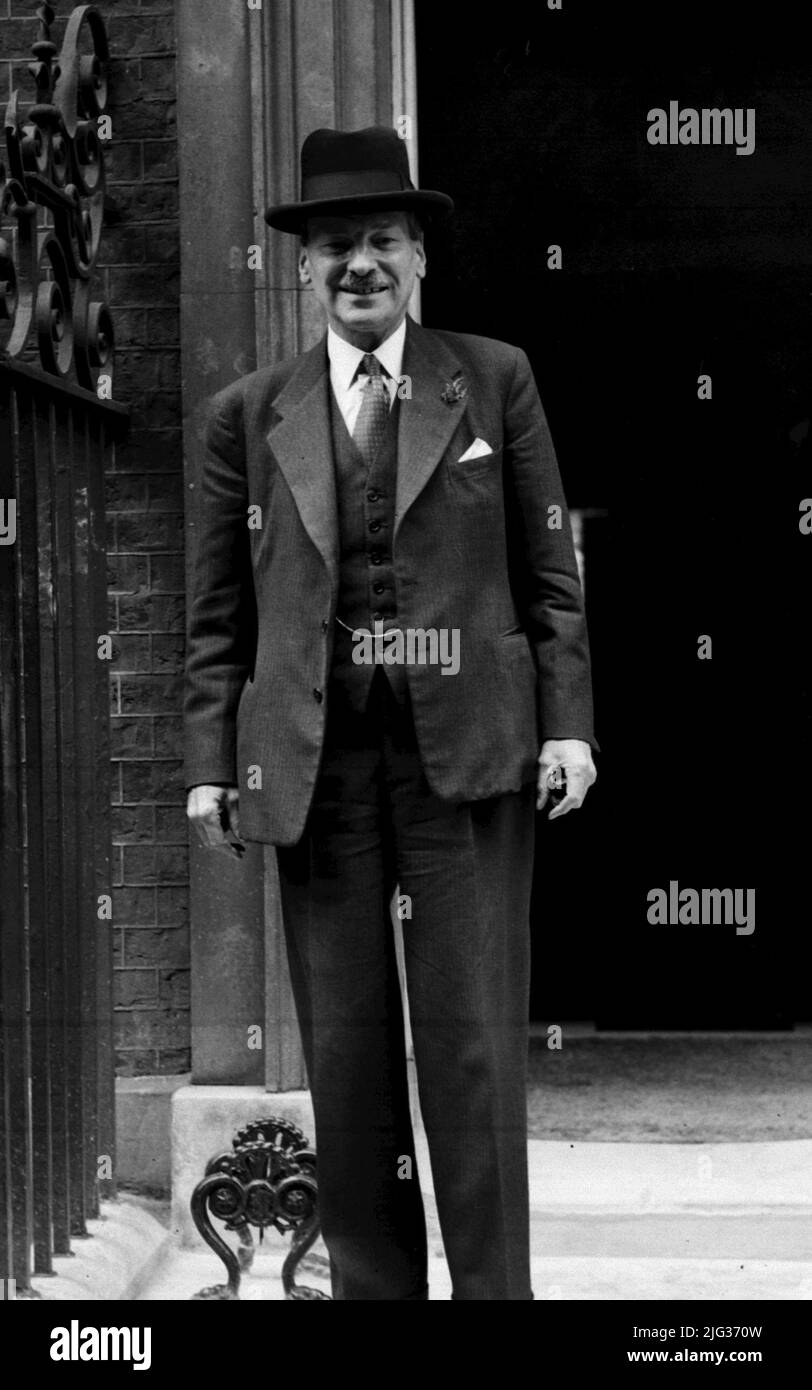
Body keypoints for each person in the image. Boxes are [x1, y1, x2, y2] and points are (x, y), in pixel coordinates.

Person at [185, 125, 598, 1300]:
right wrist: (210, 760)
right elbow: (217, 610)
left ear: (417, 255)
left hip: (464, 762)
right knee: (349, 1061)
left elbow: (549, 566)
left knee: (470, 1053)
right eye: (332, 247)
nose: (355, 264)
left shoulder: (492, 378)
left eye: (378, 240)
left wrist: (568, 724)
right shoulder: (246, 415)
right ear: (301, 269)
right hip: (317, 770)